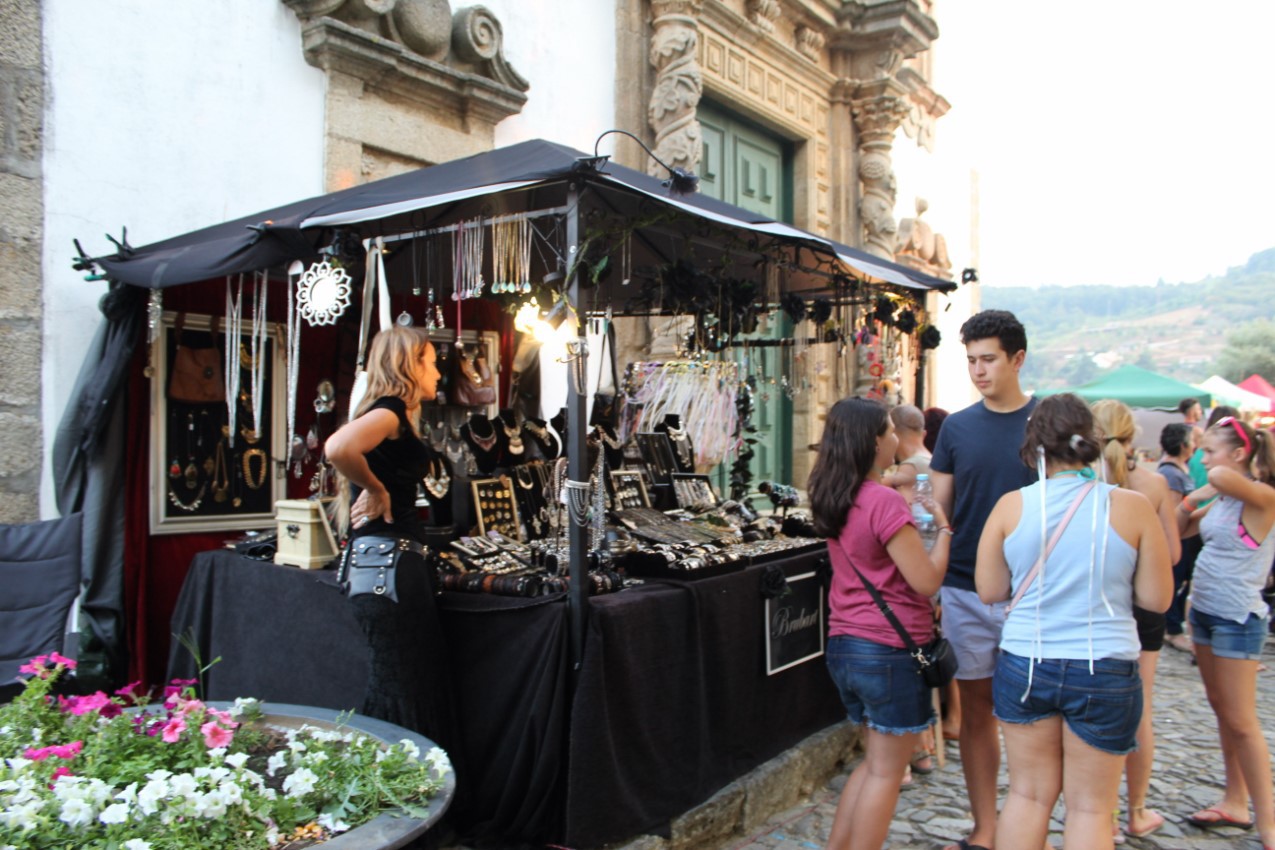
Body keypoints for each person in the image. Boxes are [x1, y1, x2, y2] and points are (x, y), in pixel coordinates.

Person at [976, 394, 1171, 850]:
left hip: (1027, 660)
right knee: (1090, 808)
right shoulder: (1132, 506)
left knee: (1027, 794)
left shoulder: (1011, 507)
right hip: (1103, 663)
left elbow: (989, 591)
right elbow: (1157, 599)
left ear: (1034, 445)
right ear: (1093, 440)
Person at [808, 397, 952, 850]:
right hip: (889, 649)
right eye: (889, 430)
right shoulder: (883, 502)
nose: (895, 438)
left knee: (873, 766)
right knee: (886, 773)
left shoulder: (835, 497)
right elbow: (925, 580)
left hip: (846, 644)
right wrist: (945, 532)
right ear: (873, 442)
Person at [929, 310, 1037, 850]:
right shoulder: (957, 427)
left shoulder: (1049, 424)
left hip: (1034, 594)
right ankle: (986, 829)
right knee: (977, 714)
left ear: (1017, 358)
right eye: (970, 360)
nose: (978, 370)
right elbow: (940, 514)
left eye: (988, 358)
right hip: (966, 588)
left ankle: (1028, 827)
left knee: (1032, 719)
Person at [325, 326, 456, 746]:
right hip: (388, 568)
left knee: (402, 680)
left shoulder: (395, 416)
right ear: (411, 363)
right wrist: (376, 488)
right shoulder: (389, 412)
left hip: (385, 566)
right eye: (432, 363)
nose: (438, 374)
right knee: (403, 683)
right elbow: (338, 448)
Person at [1176, 414, 1275, 847]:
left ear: (1239, 455)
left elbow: (1216, 476)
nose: (1203, 458)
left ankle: (1269, 822)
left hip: (1237, 619)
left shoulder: (1262, 496)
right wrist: (1188, 501)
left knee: (1242, 722)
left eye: (1211, 450)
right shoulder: (1225, 497)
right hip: (1206, 614)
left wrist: (1207, 481)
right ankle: (1235, 801)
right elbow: (1184, 527)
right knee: (1222, 712)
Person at [1091, 399, 1179, 840]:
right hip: (1142, 609)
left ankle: (1100, 815)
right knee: (1139, 708)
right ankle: (1137, 810)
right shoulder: (1153, 484)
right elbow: (1174, 554)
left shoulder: (1077, 483)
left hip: (1096, 605)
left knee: (1090, 712)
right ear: (1130, 437)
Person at [1158, 423, 1198, 652]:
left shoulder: (1180, 470)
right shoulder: (1170, 473)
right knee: (1174, 585)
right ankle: (1171, 629)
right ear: (1183, 445)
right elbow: (1171, 515)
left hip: (1185, 539)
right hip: (1178, 539)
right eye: (1191, 441)